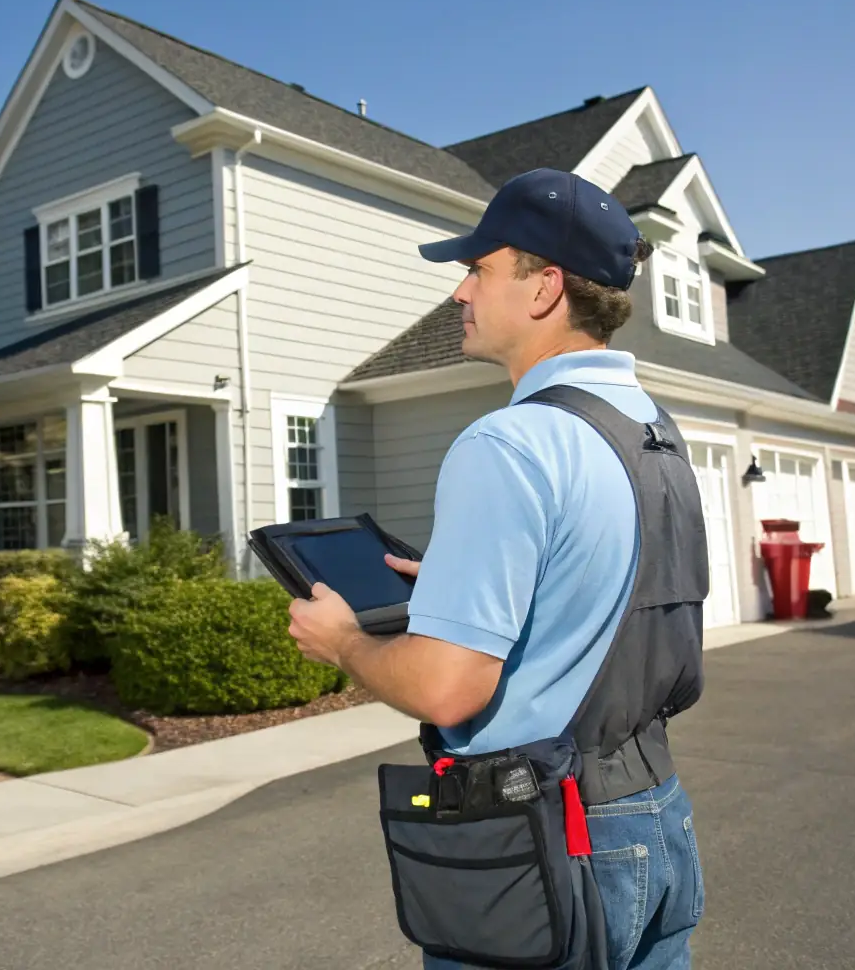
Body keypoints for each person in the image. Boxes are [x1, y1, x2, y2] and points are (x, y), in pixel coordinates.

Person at [286, 168, 707, 970]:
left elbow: (448, 688)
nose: (459, 294)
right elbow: (603, 594)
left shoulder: (508, 443)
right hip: (654, 813)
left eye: (479, 269)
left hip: (551, 834)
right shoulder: (653, 431)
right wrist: (451, 593)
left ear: (544, 288)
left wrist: (343, 641)